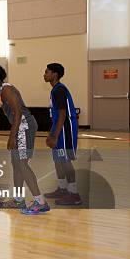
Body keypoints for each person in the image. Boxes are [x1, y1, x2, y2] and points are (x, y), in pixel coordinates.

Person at [0, 65, 49, 214]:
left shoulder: (6, 90)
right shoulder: (2, 91)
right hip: (20, 127)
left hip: (23, 127)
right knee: (16, 163)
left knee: (21, 163)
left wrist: (12, 136)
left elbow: (18, 112)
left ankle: (40, 201)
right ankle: (19, 200)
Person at [42, 63, 81, 205]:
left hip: (66, 128)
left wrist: (55, 135)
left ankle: (74, 193)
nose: (44, 74)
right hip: (59, 126)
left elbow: (63, 114)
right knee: (58, 159)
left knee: (65, 160)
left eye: (47, 72)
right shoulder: (55, 90)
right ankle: (63, 188)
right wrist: (52, 132)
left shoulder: (59, 90)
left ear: (55, 74)